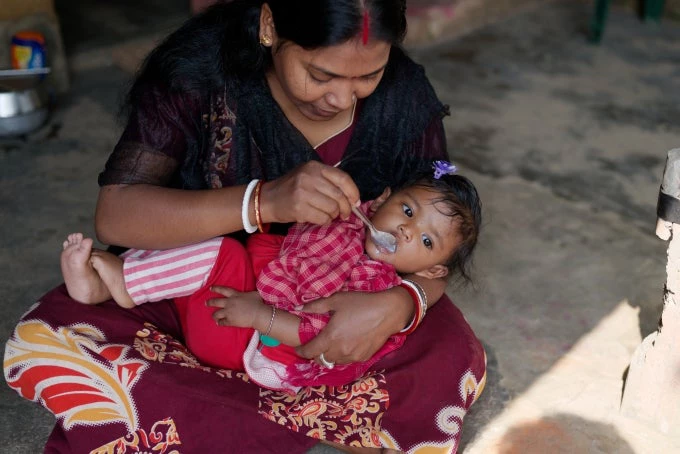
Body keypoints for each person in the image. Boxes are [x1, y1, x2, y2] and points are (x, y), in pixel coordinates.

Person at [4, 1, 486, 452]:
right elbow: (117, 213)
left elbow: (439, 241)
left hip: (339, 302)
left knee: (449, 356)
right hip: (196, 289)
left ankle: (218, 412)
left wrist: (398, 303)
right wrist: (262, 201)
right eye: (321, 74)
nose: (342, 97)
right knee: (57, 336)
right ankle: (264, 415)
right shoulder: (200, 73)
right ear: (269, 26)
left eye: (369, 76)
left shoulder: (404, 94)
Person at [60, 168, 481, 394]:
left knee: (223, 253)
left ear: (432, 270)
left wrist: (262, 315)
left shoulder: (374, 284)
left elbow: (314, 333)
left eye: (426, 240)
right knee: (250, 246)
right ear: (383, 198)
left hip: (246, 342)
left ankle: (120, 282)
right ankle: (137, 274)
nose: (406, 231)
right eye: (406, 212)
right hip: (238, 313)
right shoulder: (354, 220)